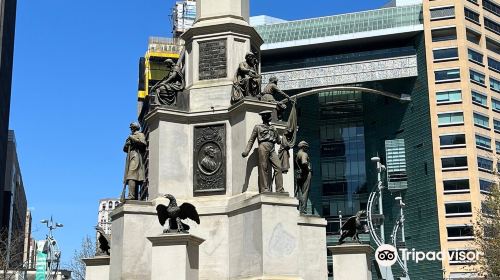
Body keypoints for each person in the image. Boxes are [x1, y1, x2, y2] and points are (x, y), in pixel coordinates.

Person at [242, 110, 284, 193]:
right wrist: (246, 151)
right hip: (263, 146)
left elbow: (279, 141)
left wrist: (284, 139)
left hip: (272, 148)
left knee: (278, 167)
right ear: (264, 117)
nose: (270, 117)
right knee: (263, 167)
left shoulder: (273, 128)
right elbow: (251, 140)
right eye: (268, 115)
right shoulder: (258, 127)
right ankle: (264, 188)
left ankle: (280, 189)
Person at [123, 122, 147, 200]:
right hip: (131, 156)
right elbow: (124, 149)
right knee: (133, 175)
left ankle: (131, 196)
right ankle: (134, 196)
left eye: (131, 127)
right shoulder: (130, 136)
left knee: (131, 175)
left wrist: (132, 138)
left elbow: (143, 144)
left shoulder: (140, 134)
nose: (131, 129)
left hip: (137, 155)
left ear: (134, 128)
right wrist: (127, 143)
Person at [295, 141, 312, 214]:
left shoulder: (296, 154)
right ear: (303, 147)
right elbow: (304, 162)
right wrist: (308, 168)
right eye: (306, 147)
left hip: (299, 175)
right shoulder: (304, 154)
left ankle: (299, 207)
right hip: (306, 174)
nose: (307, 149)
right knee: (305, 191)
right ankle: (303, 209)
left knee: (298, 191)